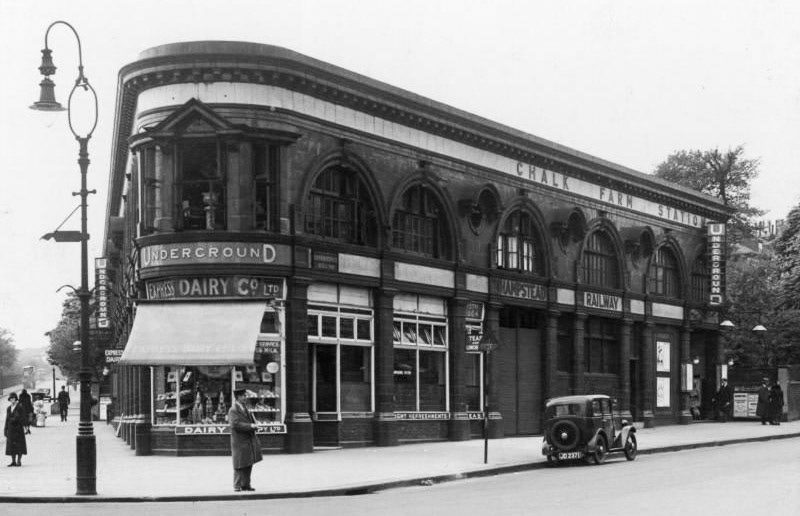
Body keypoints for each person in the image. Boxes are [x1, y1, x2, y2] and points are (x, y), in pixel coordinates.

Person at [227, 388, 262, 492]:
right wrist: (250, 426)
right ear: (238, 397)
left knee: (248, 462)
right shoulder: (233, 410)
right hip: (239, 441)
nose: (245, 397)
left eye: (245, 396)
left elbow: (247, 420)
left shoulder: (245, 407)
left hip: (247, 439)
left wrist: (255, 424)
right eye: (243, 396)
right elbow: (235, 424)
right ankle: (237, 486)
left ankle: (246, 485)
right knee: (239, 464)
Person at [4, 392, 27, 467]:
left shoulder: (20, 407)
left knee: (19, 445)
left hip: (18, 429)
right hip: (11, 429)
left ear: (16, 399)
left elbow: (23, 417)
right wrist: (5, 429)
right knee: (11, 445)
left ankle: (19, 461)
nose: (12, 400)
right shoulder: (8, 408)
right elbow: (7, 419)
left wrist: (16, 420)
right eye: (11, 398)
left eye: (13, 398)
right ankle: (13, 461)